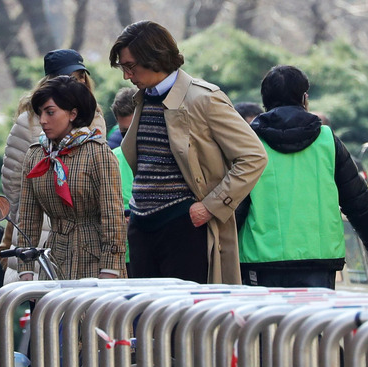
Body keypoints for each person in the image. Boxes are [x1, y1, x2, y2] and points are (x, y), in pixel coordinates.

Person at [108, 20, 267, 284]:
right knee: (145, 320)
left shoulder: (203, 98)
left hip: (184, 227)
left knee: (183, 321)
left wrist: (210, 206)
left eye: (130, 66)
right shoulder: (142, 98)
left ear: (153, 57)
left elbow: (253, 156)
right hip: (141, 228)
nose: (126, 76)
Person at [238, 65, 368, 289]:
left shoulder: (248, 142)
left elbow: (236, 201)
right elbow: (356, 197)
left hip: (261, 258)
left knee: (262, 323)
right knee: (311, 323)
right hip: (318, 258)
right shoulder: (327, 140)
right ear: (305, 98)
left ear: (265, 102)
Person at [0, 48, 107, 281]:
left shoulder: (95, 115)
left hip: (85, 227)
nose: (75, 82)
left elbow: (102, 178)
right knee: (42, 299)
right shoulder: (29, 119)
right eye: (67, 77)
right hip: (38, 220)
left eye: (79, 76)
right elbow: (13, 181)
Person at [15, 75, 126, 281]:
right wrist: (26, 268)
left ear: (73, 113)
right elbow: (28, 217)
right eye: (40, 113)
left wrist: (111, 267)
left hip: (95, 260)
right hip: (54, 258)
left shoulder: (97, 153)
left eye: (50, 112)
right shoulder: (36, 154)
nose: (43, 120)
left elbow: (113, 215)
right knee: (52, 313)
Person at [109, 86, 138, 275]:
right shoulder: (111, 159)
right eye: (123, 132)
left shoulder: (167, 156)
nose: (128, 139)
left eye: (134, 131)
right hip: (122, 258)